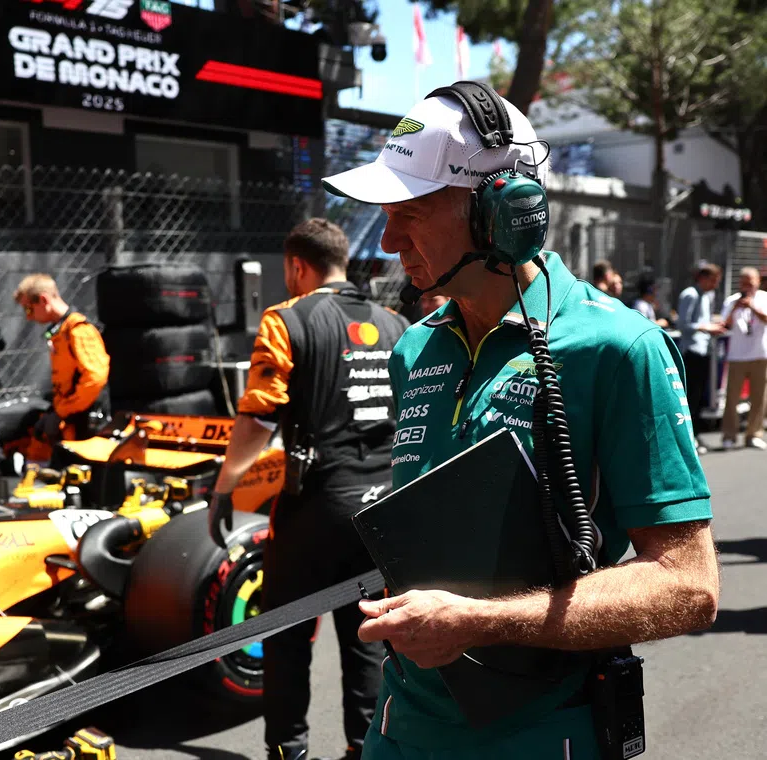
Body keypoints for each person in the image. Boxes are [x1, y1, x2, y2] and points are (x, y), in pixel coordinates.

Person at [321, 81, 718, 759]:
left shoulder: (618, 348)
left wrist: (478, 622)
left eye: (410, 213)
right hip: (402, 726)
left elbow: (687, 585)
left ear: (503, 212)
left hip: (541, 732)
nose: (388, 242)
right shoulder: (415, 348)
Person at [206, 218, 410, 760]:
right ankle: (363, 748)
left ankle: (289, 751)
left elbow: (257, 419)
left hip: (316, 505)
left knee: (286, 634)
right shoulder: (395, 324)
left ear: (297, 266)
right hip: (385, 504)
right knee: (369, 635)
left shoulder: (286, 319)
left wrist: (224, 487)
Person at [14, 274, 111, 449]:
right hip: (71, 419)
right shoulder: (61, 331)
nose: (28, 317)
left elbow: (95, 378)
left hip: (87, 422)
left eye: (28, 309)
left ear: (43, 300)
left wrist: (62, 411)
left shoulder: (78, 330)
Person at [676, 263, 726, 454]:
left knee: (697, 399)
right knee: (690, 397)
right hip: (692, 352)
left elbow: (701, 320)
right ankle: (686, 438)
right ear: (703, 278)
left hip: (704, 350)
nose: (714, 285)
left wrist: (712, 324)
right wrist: (707, 328)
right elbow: (684, 324)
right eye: (713, 281)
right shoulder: (690, 294)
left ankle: (693, 436)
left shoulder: (707, 296)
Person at [719, 267, 767, 450]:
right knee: (732, 398)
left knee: (759, 397)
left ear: (757, 282)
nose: (747, 286)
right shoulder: (732, 300)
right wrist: (735, 309)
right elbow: (725, 324)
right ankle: (729, 435)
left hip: (760, 354)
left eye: (750, 282)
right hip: (738, 355)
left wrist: (752, 307)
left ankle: (753, 434)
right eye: (743, 282)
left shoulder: (764, 298)